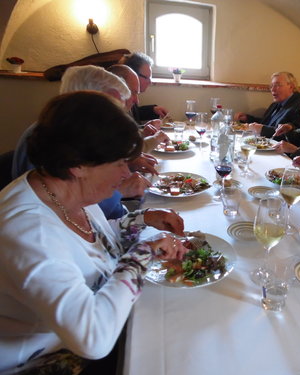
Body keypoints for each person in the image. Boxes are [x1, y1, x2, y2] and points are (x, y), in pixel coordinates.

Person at [0, 91, 189, 374]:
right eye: (119, 163)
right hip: (52, 361)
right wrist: (144, 252)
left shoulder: (60, 190)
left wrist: (142, 220)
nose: (127, 173)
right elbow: (94, 339)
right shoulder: (30, 232)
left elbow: (90, 241)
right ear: (79, 165)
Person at [10, 65, 155, 220]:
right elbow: (65, 212)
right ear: (88, 102)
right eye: (113, 107)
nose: (117, 116)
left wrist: (141, 218)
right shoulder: (50, 140)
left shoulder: (71, 133)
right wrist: (119, 190)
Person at [107, 64, 170, 153]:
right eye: (133, 92)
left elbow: (124, 139)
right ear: (115, 91)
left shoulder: (115, 112)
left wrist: (142, 133)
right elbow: (119, 153)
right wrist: (155, 139)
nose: (137, 101)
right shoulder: (102, 118)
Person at [235, 71, 300, 138]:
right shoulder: (275, 104)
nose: (273, 89)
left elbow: (295, 133)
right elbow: (265, 123)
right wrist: (247, 118)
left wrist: (263, 130)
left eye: (277, 85)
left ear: (291, 87)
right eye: (272, 86)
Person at [118, 52, 169, 122]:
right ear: (133, 74)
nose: (150, 82)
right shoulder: (119, 99)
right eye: (147, 77)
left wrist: (153, 110)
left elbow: (134, 114)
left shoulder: (130, 93)